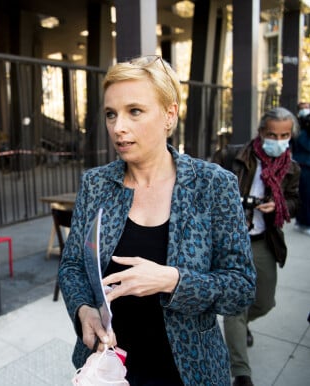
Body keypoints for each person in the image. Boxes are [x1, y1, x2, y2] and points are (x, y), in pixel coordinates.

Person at [57, 55, 256, 386]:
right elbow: (73, 266)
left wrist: (173, 281)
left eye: (134, 111)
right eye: (111, 114)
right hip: (110, 366)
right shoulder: (96, 183)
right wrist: (83, 310)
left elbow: (241, 288)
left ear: (169, 114)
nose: (118, 127)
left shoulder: (212, 185)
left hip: (189, 370)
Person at [212, 107, 301, 386]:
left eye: (284, 135)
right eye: (272, 134)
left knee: (264, 301)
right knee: (234, 306)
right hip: (231, 240)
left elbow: (295, 202)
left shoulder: (291, 169)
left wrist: (280, 205)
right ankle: (241, 372)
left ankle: (239, 326)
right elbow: (208, 185)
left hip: (264, 240)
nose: (278, 140)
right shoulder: (232, 156)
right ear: (261, 132)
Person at [293, 107, 310, 236]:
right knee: (306, 196)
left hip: (305, 167)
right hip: (304, 168)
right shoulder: (302, 135)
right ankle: (304, 221)